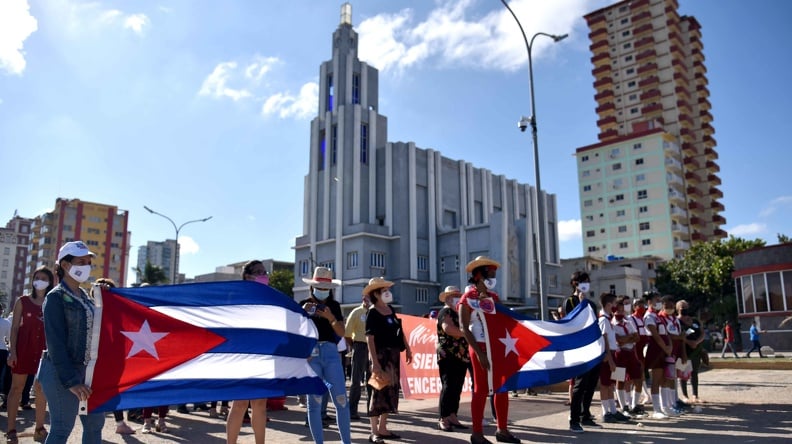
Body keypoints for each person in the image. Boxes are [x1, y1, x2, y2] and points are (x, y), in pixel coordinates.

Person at [38, 241, 105, 443]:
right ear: (65, 265)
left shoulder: (87, 298)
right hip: (61, 372)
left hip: (88, 373)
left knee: (94, 427)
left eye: (88, 262)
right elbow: (55, 343)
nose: (86, 266)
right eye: (81, 261)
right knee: (61, 428)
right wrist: (72, 381)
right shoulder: (55, 298)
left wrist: (107, 300)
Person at [458, 257, 521, 444]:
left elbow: (503, 322)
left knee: (502, 388)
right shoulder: (467, 298)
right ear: (479, 275)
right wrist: (479, 353)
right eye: (490, 275)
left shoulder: (494, 298)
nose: (493, 278)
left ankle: (502, 430)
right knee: (481, 390)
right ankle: (477, 434)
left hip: (497, 348)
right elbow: (463, 328)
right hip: (479, 347)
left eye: (494, 275)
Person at [301, 267, 352, 444]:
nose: (322, 291)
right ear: (312, 286)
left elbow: (342, 331)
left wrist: (331, 317)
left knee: (341, 400)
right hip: (311, 356)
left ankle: (346, 442)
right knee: (314, 403)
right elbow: (297, 332)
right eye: (319, 287)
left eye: (325, 288)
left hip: (331, 354)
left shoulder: (335, 306)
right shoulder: (303, 305)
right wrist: (303, 313)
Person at [7, 266, 53, 443]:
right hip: (23, 350)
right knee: (16, 389)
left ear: (50, 282)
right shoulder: (22, 301)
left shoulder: (52, 302)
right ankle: (11, 431)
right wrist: (13, 352)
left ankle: (39, 429)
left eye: (44, 278)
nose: (39, 280)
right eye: (37, 277)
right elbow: (14, 329)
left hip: (43, 354)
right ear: (32, 280)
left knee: (41, 391)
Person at [364, 277, 412, 443]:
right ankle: (374, 431)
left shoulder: (390, 309)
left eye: (387, 289)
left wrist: (407, 348)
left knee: (391, 392)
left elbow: (399, 331)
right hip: (380, 356)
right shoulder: (372, 312)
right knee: (378, 392)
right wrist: (375, 363)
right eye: (383, 290)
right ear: (376, 294)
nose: (387, 292)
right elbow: (370, 338)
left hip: (393, 356)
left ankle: (384, 428)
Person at [227, 260, 270, 444]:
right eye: (259, 271)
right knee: (240, 404)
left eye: (264, 271)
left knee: (260, 404)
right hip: (242, 356)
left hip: (263, 356)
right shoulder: (237, 296)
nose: (263, 274)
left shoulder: (270, 298)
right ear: (247, 276)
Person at [93, 277, 136, 435]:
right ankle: (93, 427)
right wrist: (99, 292)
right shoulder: (91, 311)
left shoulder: (118, 314)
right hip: (94, 361)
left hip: (113, 362)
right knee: (91, 393)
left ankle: (120, 423)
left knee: (113, 392)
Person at [566, 271, 601, 434]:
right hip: (578, 350)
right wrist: (581, 305)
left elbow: (594, 324)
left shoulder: (592, 304)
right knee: (579, 385)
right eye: (582, 281)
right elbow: (570, 323)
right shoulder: (570, 302)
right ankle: (574, 420)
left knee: (591, 384)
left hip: (593, 348)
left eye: (588, 281)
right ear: (575, 283)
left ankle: (585, 415)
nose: (586, 284)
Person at [436, 285, 470, 432]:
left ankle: (452, 415)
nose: (456, 298)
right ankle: (443, 418)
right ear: (448, 298)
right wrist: (467, 334)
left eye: (457, 295)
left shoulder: (458, 312)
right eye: (453, 296)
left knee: (457, 386)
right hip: (448, 353)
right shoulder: (445, 311)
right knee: (448, 386)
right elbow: (448, 328)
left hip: (461, 354)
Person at [596, 293, 629, 423]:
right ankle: (606, 412)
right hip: (606, 357)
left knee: (610, 385)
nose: (616, 306)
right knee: (605, 385)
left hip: (612, 354)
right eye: (614, 303)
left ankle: (613, 411)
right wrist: (610, 360)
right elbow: (605, 341)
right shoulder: (603, 320)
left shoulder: (608, 319)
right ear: (609, 304)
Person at [612, 296, 643, 417]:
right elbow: (619, 341)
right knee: (620, 380)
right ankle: (623, 406)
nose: (620, 313)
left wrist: (627, 339)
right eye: (617, 311)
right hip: (619, 354)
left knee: (638, 379)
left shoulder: (628, 322)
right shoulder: (612, 324)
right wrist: (629, 338)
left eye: (621, 310)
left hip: (631, 353)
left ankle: (634, 405)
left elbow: (637, 337)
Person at [643, 291, 672, 419]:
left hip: (665, 349)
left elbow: (665, 333)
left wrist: (669, 346)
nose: (659, 302)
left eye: (660, 300)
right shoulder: (649, 316)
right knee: (656, 378)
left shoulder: (658, 316)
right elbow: (655, 335)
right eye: (656, 300)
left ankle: (665, 407)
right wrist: (665, 347)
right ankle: (656, 409)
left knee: (665, 378)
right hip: (656, 349)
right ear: (649, 302)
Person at [344, 292, 371, 420]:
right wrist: (354, 346)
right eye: (366, 297)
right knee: (356, 381)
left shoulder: (375, 313)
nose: (368, 300)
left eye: (371, 297)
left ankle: (372, 410)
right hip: (359, 346)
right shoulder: (356, 312)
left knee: (372, 381)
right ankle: (352, 411)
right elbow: (347, 333)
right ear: (363, 298)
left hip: (373, 349)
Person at [677, 300, 704, 403]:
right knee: (683, 373)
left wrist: (696, 342)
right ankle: (684, 395)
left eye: (686, 307)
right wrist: (688, 342)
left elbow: (702, 333)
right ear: (678, 309)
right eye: (682, 307)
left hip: (695, 351)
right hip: (683, 350)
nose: (685, 309)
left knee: (695, 373)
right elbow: (678, 335)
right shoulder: (677, 321)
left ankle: (695, 395)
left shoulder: (695, 321)